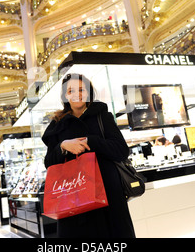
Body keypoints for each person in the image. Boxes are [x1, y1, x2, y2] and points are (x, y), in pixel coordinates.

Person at [42, 73, 135, 238]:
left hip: (108, 196)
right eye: (71, 90)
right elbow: (49, 162)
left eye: (81, 89)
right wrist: (63, 146)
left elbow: (121, 150)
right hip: (73, 197)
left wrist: (90, 141)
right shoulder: (57, 123)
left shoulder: (102, 116)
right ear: (65, 95)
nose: (76, 94)